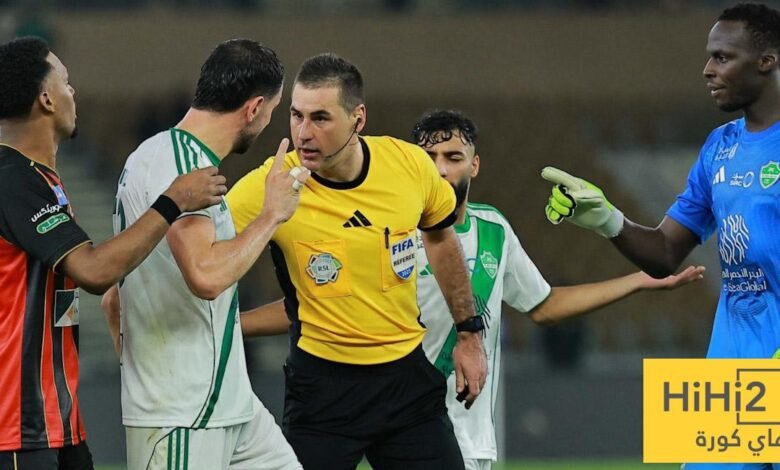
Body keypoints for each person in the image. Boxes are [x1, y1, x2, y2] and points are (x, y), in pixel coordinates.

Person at [241, 109, 705, 470]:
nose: (441, 170)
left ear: (474, 165)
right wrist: (236, 324)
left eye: (453, 158)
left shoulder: (494, 231)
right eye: (430, 159)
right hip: (390, 416)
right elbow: (315, 305)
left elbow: (544, 305)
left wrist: (637, 280)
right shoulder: (393, 227)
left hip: (466, 433)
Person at [542, 3, 780, 470]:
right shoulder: (720, 146)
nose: (707, 69)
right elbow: (666, 251)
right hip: (733, 379)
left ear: (767, 61)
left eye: (722, 57)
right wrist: (608, 219)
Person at [226, 53, 487, 470]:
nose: (303, 133)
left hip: (406, 385)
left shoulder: (408, 165)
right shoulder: (270, 185)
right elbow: (200, 250)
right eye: (296, 116)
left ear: (357, 119)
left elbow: (440, 238)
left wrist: (469, 334)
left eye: (320, 118)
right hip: (323, 392)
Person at [0, 37, 225, 469]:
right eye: (65, 81)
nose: (73, 91)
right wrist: (173, 201)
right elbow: (94, 270)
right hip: (18, 429)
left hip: (55, 423)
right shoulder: (13, 179)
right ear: (46, 99)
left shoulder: (36, 179)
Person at [103, 39, 306, 470]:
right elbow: (206, 276)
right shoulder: (183, 165)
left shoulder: (157, 154)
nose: (268, 121)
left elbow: (113, 299)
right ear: (254, 108)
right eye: (272, 110)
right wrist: (271, 214)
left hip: (229, 405)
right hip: (184, 413)